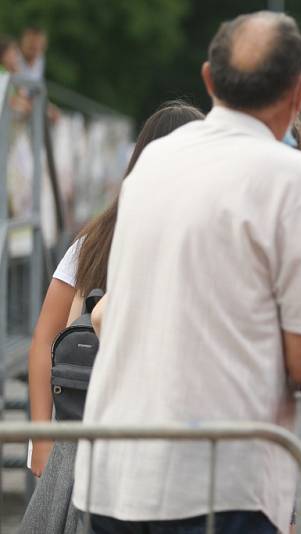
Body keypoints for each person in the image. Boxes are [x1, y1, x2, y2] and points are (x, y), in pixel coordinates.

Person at [72, 11, 301, 534]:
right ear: (298, 93)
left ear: (210, 80)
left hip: (116, 471)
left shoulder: (153, 163)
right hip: (218, 484)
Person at [19, 101, 205, 534]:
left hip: (89, 442)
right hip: (120, 445)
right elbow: (45, 341)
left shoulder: (98, 237)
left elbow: (45, 341)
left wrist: (43, 443)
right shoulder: (101, 241)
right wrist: (40, 441)